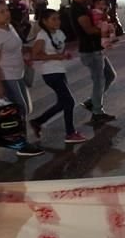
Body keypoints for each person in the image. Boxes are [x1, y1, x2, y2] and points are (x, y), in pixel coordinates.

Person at [0, 0, 42, 157]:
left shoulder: (9, 27)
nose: (6, 14)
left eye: (6, 10)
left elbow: (16, 47)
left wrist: (28, 53)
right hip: (6, 76)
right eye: (1, 12)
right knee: (19, 110)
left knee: (25, 108)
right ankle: (21, 144)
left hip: (17, 73)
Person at [29, 9, 87, 144]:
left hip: (59, 71)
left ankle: (38, 121)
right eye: (53, 19)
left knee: (63, 102)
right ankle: (70, 132)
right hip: (50, 73)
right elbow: (35, 55)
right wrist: (56, 56)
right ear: (44, 21)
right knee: (69, 102)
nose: (57, 22)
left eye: (58, 18)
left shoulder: (59, 33)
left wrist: (64, 55)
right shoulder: (42, 36)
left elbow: (61, 50)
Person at [71, 0, 116, 125]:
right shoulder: (77, 9)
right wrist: (106, 30)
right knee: (99, 80)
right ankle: (97, 112)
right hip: (90, 50)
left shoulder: (85, 6)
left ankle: (92, 102)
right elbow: (89, 29)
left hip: (96, 49)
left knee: (109, 75)